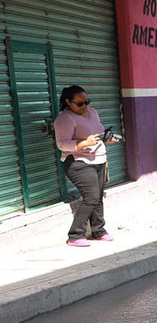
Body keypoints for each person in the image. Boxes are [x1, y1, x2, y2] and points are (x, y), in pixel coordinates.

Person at [54, 85, 119, 247]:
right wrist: (84, 143)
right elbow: (62, 144)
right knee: (90, 196)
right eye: (80, 103)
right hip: (78, 162)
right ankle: (75, 235)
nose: (84, 106)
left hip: (99, 160)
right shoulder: (64, 119)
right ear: (68, 102)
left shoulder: (93, 112)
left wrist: (106, 138)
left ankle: (99, 231)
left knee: (98, 197)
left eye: (86, 101)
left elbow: (98, 133)